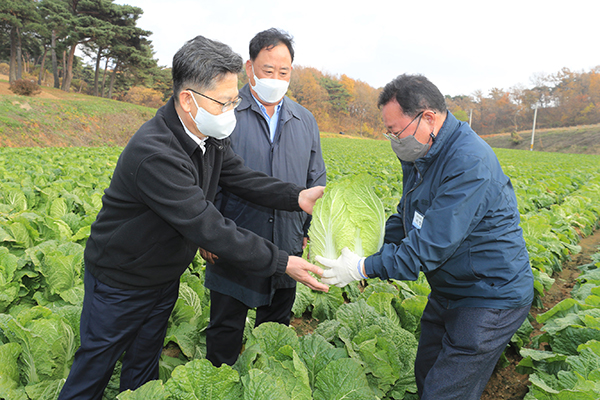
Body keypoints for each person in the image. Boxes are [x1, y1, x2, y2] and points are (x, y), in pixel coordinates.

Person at [57, 35, 328, 400]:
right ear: (188, 99)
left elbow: (242, 177)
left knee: (142, 367)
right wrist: (282, 262)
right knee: (94, 369)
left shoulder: (208, 135)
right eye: (226, 102)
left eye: (235, 100)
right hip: (121, 282)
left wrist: (297, 197)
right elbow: (209, 227)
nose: (233, 109)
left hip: (163, 276)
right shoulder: (157, 154)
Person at [316, 74, 534, 400]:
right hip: (450, 289)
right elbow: (406, 220)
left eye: (396, 131)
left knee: (443, 394)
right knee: (426, 374)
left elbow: (427, 247)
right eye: (388, 131)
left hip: (490, 296)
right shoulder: (421, 152)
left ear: (428, 117)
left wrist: (363, 268)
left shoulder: (468, 162)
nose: (392, 139)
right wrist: (357, 249)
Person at [201, 28, 326, 367]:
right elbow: (209, 176)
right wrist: (207, 233)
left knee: (275, 331)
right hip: (235, 239)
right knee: (225, 327)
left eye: (283, 72)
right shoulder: (225, 113)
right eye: (267, 70)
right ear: (250, 67)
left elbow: (316, 179)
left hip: (287, 241)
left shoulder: (305, 120)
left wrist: (308, 231)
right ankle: (218, 381)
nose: (275, 78)